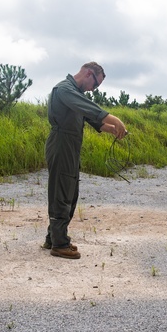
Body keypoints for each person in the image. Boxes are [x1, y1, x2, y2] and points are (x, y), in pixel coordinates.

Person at [43, 62, 128, 259]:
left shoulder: (76, 93)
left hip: (71, 145)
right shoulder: (64, 89)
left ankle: (54, 238)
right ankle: (59, 244)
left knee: (69, 192)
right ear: (89, 73)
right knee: (61, 192)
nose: (93, 89)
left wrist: (110, 129)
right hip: (61, 143)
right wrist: (115, 120)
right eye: (95, 85)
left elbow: (90, 118)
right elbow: (90, 109)